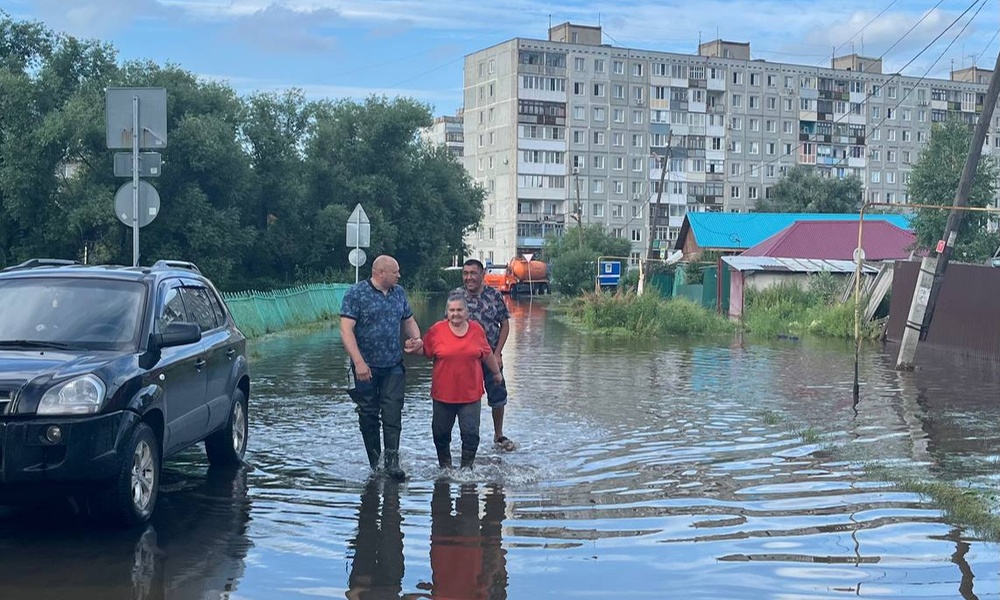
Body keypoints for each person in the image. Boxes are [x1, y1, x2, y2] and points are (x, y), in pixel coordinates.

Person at [340, 255, 423, 481]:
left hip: (393, 364)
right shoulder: (356, 294)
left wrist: (416, 339)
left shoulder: (399, 293)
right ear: (380, 273)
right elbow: (346, 330)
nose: (399, 275)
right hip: (365, 366)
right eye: (395, 272)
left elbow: (408, 320)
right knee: (368, 415)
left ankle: (393, 463)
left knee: (393, 412)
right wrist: (358, 362)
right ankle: (375, 464)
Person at [422, 294, 502, 470]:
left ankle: (467, 470)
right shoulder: (437, 330)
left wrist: (496, 373)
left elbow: (486, 353)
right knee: (441, 434)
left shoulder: (476, 330)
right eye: (452, 310)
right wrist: (414, 346)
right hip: (443, 395)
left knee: (471, 434)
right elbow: (424, 350)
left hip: (470, 394)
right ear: (446, 312)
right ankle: (445, 467)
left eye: (459, 310)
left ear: (467, 312)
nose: (455, 314)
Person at [452, 259, 516, 452]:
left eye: (473, 273)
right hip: (464, 358)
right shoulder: (456, 296)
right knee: (465, 398)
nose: (469, 277)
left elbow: (504, 324)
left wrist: (498, 353)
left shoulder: (494, 296)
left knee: (497, 394)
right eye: (465, 273)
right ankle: (468, 436)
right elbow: (447, 325)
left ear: (482, 274)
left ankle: (498, 434)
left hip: (490, 356)